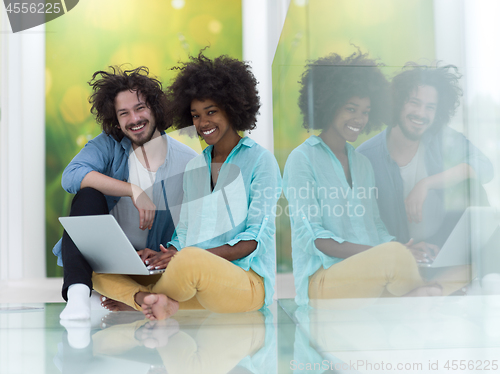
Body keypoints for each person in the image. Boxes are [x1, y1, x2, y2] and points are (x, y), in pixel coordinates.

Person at [91, 52, 281, 320]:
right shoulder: (194, 167)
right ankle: (148, 300)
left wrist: (184, 258)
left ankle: (138, 301)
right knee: (100, 265)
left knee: (190, 261)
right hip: (195, 286)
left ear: (233, 107)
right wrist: (161, 255)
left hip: (245, 285)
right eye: (195, 115)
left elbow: (252, 241)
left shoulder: (261, 161)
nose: (203, 123)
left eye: (211, 112)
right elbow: (184, 234)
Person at [284, 51, 455, 307]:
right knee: (419, 285)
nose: (359, 119)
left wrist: (401, 249)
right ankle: (420, 300)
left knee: (416, 270)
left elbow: (375, 227)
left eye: (365, 112)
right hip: (321, 281)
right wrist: (383, 253)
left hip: (370, 275)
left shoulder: (362, 164)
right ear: (329, 106)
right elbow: (313, 238)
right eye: (351, 109)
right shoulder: (302, 159)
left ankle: (416, 300)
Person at [54, 66, 197, 320]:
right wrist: (133, 190)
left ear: (154, 108)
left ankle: (134, 297)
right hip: (101, 262)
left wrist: (172, 250)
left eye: (140, 108)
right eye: (124, 113)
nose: (134, 119)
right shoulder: (108, 145)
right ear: (116, 120)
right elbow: (72, 175)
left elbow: (197, 224)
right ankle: (77, 297)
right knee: (87, 196)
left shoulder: (189, 162)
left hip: (149, 267)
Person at [357, 63, 493, 250]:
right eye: (414, 103)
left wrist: (426, 183)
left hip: (444, 243)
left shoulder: (441, 138)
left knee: (472, 182)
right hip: (398, 254)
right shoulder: (365, 158)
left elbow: (486, 167)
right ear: (397, 103)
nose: (421, 113)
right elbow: (361, 227)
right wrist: (403, 251)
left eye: (430, 107)